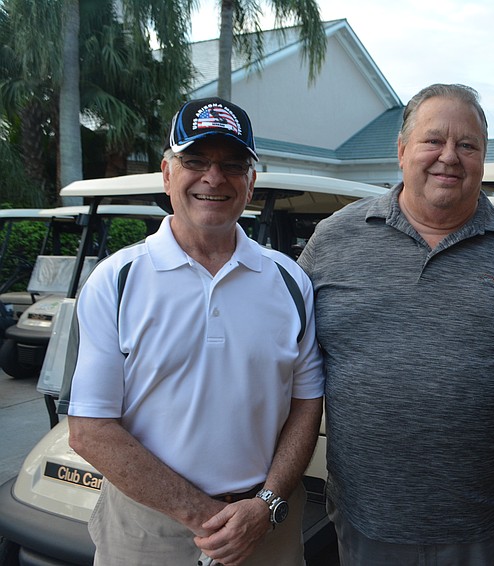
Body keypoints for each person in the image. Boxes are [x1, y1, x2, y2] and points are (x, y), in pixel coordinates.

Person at [298, 83, 494, 565]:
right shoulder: (332, 242)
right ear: (402, 150)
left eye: (467, 145)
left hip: (490, 529)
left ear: (483, 158)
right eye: (433, 140)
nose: (448, 157)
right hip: (369, 524)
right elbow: (289, 363)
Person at [67, 97, 325, 566]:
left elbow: (307, 406)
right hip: (148, 528)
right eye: (195, 161)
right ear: (167, 173)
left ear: (250, 183)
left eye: (232, 164)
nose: (213, 177)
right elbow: (89, 429)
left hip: (264, 523)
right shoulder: (117, 280)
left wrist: (264, 506)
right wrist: (205, 515)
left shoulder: (290, 282)